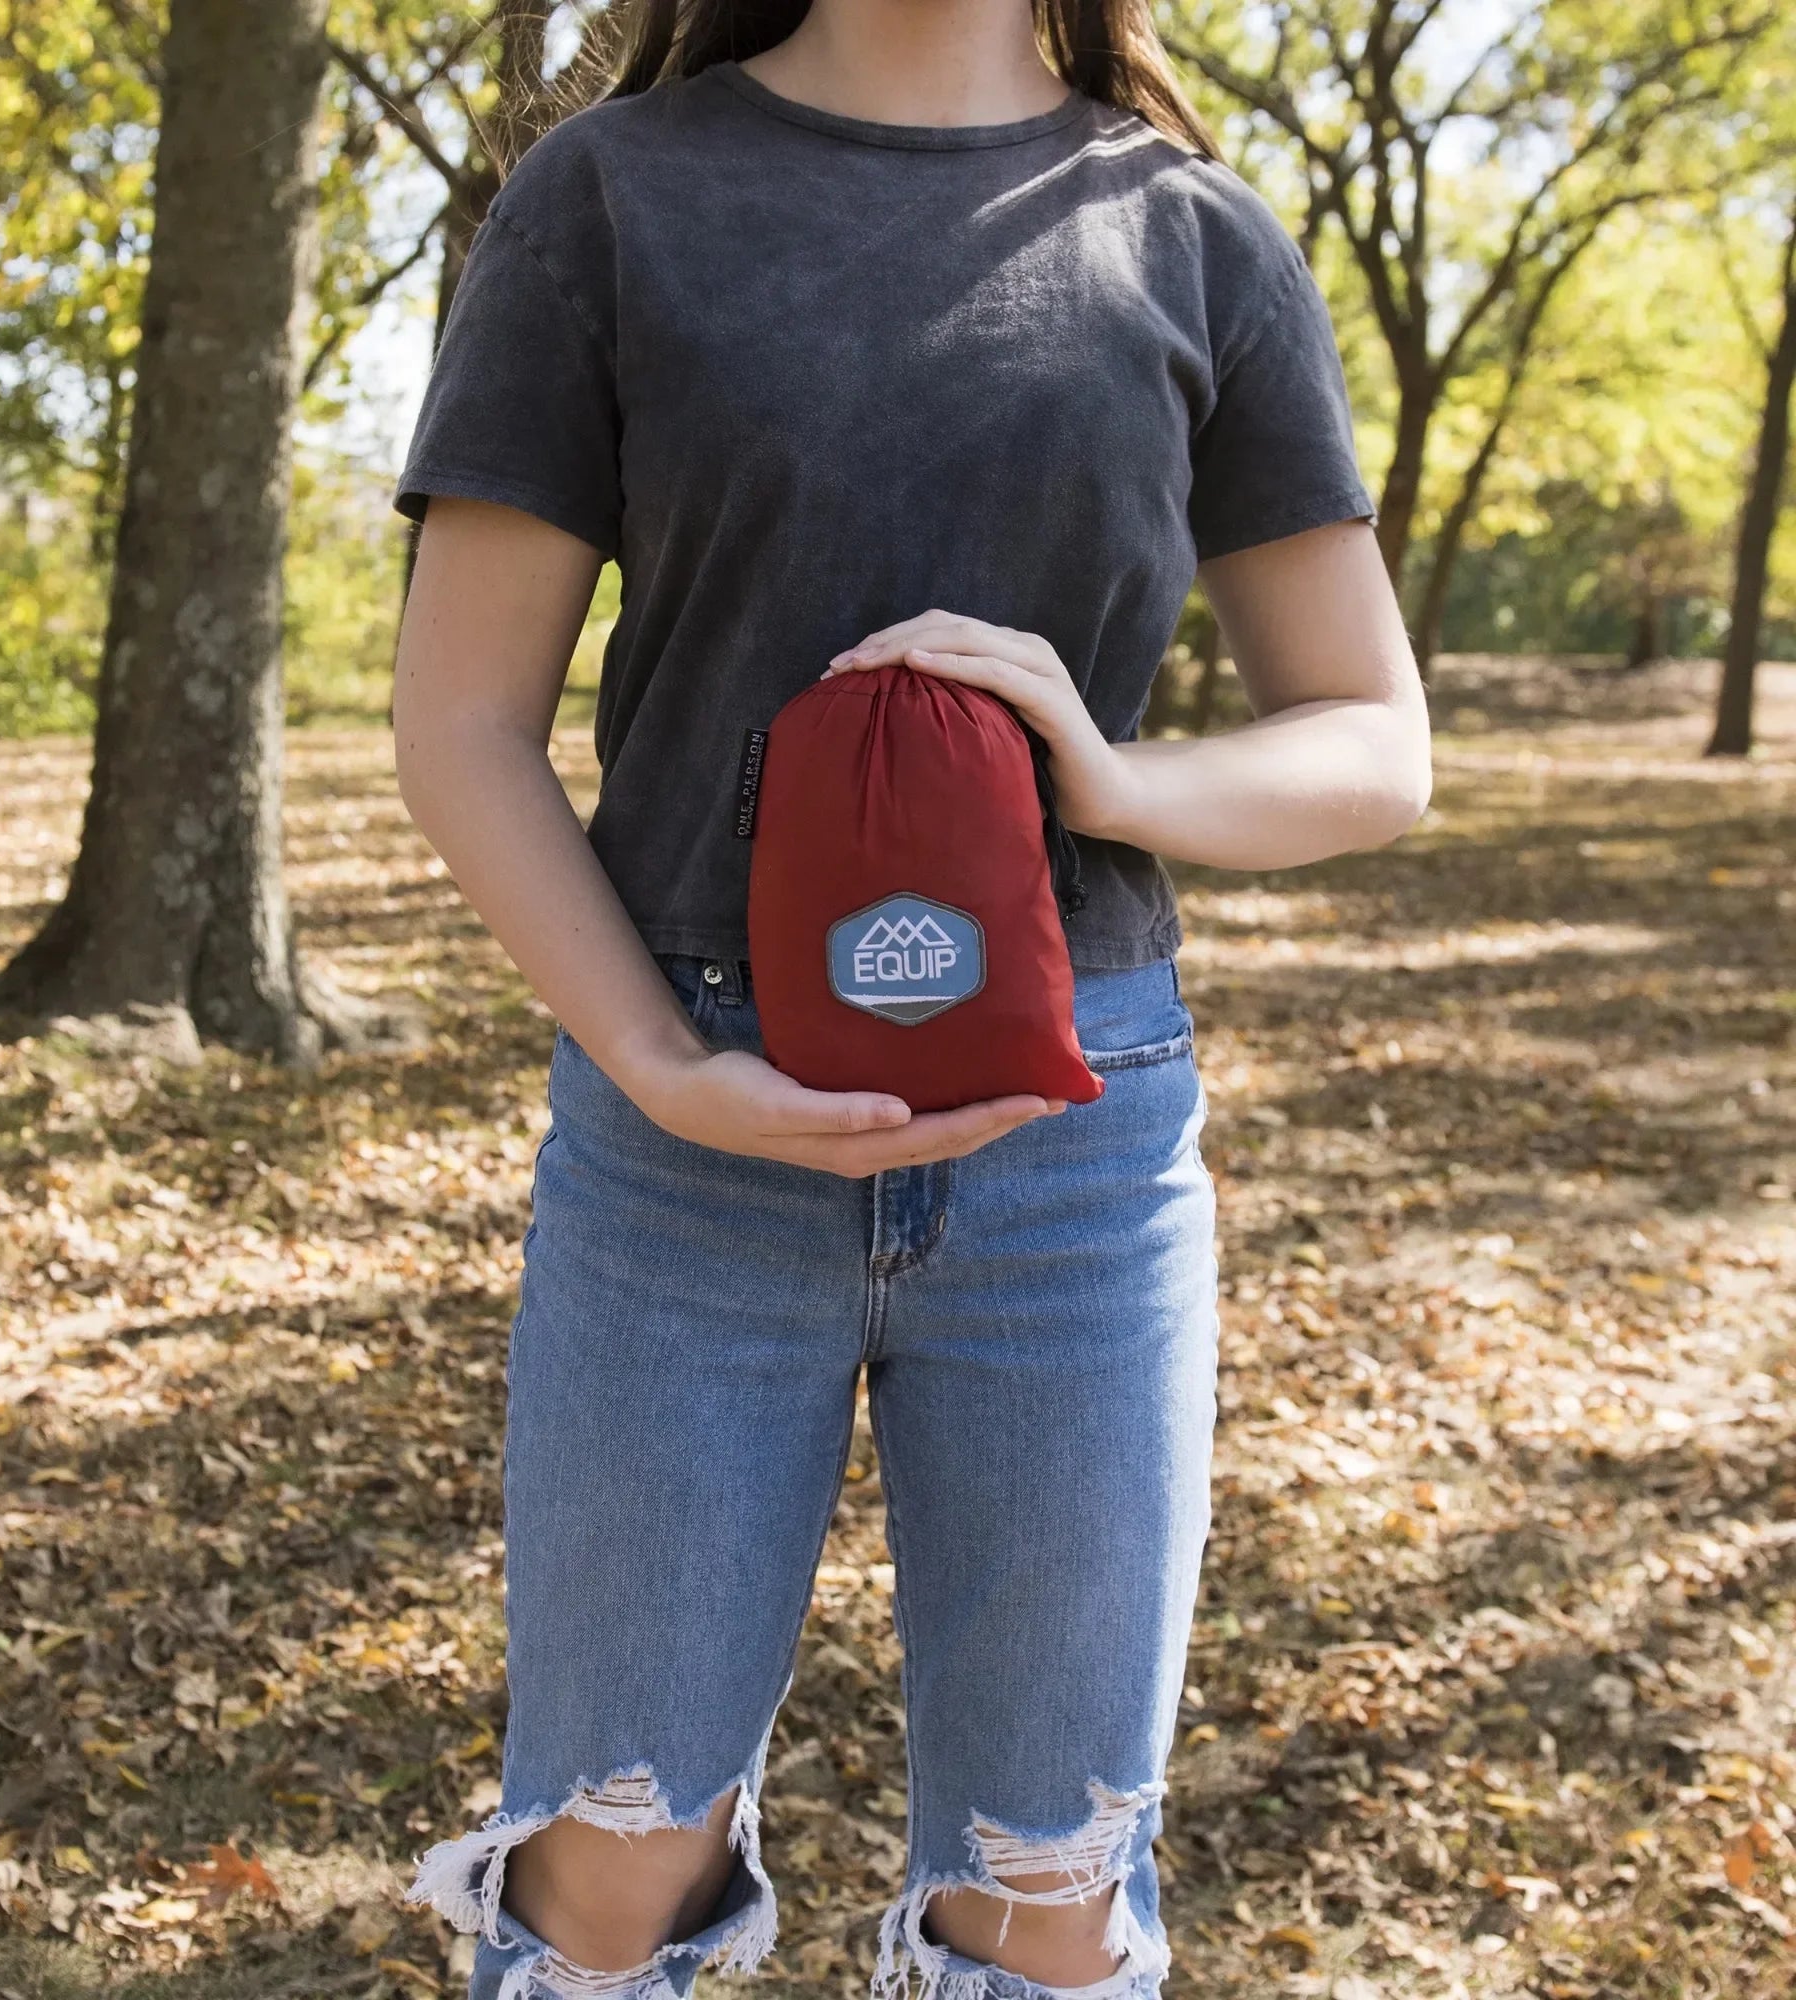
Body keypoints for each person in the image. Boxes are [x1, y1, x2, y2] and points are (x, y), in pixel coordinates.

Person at [388, 3, 1432, 1996]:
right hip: (680, 1142)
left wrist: (1114, 786)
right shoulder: (607, 200)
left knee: (1048, 1895)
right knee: (612, 1866)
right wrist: (662, 1064)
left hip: (1078, 1153)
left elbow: (1372, 739)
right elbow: (459, 724)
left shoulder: (1193, 233)